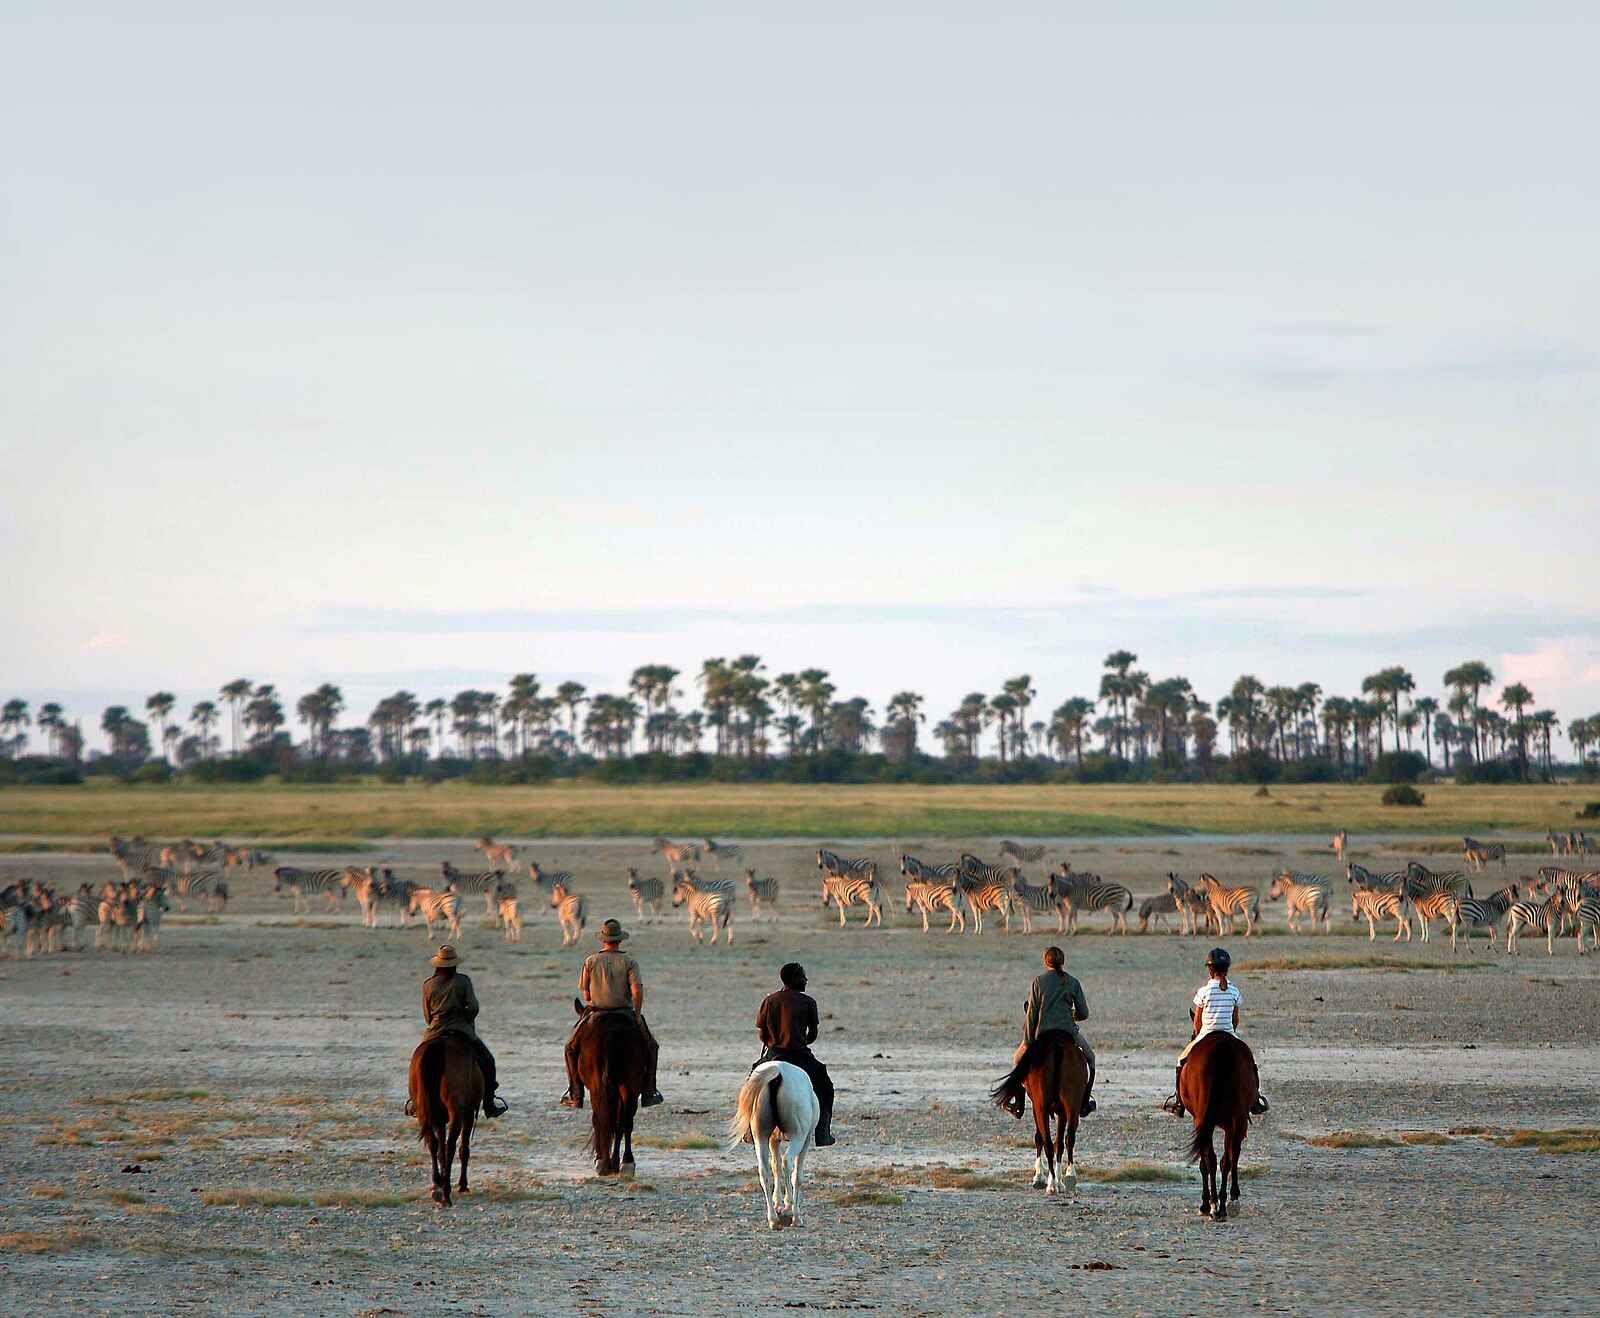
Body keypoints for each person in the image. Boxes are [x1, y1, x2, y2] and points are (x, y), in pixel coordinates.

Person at [560, 918, 663, 1109]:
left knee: (570, 1047)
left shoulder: (590, 961)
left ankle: (575, 1094)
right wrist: (638, 1014)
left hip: (595, 1012)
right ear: (619, 940)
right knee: (651, 1046)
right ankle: (649, 1091)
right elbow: (637, 992)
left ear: (603, 939)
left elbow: (586, 993)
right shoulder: (629, 962)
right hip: (624, 1013)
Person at [1163, 947, 1269, 1116]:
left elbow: (1197, 1021)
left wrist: (1197, 1034)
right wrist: (1230, 1029)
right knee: (1249, 1060)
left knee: (1180, 1061)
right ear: (1227, 969)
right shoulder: (1234, 991)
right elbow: (1235, 1019)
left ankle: (1179, 1101)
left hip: (1206, 1034)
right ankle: (1255, 1100)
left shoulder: (1203, 991)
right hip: (1229, 1033)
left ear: (1210, 970)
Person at [752, 963, 836, 1146]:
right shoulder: (808, 1002)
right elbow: (812, 1034)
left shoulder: (770, 1001)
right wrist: (800, 1040)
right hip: (800, 1056)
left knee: (751, 1081)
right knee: (825, 1085)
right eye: (803, 976)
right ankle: (823, 1132)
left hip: (774, 1054)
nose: (806, 980)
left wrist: (773, 1040)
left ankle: (748, 1130)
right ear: (795, 979)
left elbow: (762, 1034)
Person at [1006, 945, 1096, 1117]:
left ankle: (1019, 1101)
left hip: (1043, 1032)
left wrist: (1028, 1040)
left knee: (1017, 1060)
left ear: (1046, 962)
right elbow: (1084, 1013)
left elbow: (1032, 1014)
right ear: (1063, 962)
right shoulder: (1073, 982)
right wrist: (1070, 1016)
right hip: (1068, 1032)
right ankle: (1084, 1101)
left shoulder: (1038, 982)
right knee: (1091, 1060)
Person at [419, 945, 507, 1118]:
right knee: (488, 1061)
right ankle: (489, 1103)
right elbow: (473, 1007)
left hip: (435, 1030)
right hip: (462, 1029)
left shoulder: (428, 985)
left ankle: (416, 1102)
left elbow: (427, 1014)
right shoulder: (463, 981)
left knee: (419, 1062)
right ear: (454, 964)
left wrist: (435, 1023)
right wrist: (466, 1018)